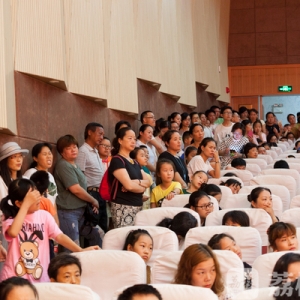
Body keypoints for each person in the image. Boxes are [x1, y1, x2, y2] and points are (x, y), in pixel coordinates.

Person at [0, 178, 99, 282]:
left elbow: (59, 236)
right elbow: (13, 232)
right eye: (31, 198)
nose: (38, 199)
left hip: (40, 277)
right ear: (19, 203)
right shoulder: (10, 217)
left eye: (36, 194)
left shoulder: (44, 216)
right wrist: (25, 205)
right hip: (14, 279)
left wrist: (80, 250)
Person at [54, 134, 101, 252]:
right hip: (68, 212)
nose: (73, 150)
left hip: (81, 212)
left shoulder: (74, 165)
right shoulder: (63, 165)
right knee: (72, 247)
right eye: (69, 148)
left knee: (97, 234)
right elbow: (75, 189)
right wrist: (93, 200)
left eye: (75, 147)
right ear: (62, 152)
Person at [108, 128, 151, 228]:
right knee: (125, 239)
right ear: (120, 140)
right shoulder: (117, 160)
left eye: (135, 139)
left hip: (138, 206)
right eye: (130, 138)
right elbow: (129, 185)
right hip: (123, 206)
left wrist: (136, 182)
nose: (133, 141)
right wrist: (141, 187)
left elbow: (148, 182)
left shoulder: (134, 162)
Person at [0, 142, 29, 268]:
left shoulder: (24, 182)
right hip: (5, 229)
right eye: (13, 157)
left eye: (20, 156)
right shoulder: (1, 181)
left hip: (23, 229)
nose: (18, 160)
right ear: (5, 160)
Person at [75, 123, 107, 232]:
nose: (101, 137)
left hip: (100, 194)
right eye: (99, 134)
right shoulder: (83, 151)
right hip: (91, 194)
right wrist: (90, 199)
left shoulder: (96, 151)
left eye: (103, 135)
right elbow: (80, 176)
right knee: (95, 230)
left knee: (103, 227)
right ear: (90, 132)